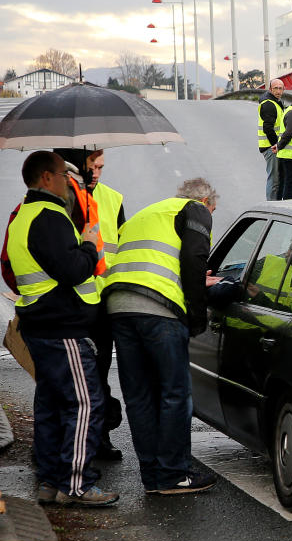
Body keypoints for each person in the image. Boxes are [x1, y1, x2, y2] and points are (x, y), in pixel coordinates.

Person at [6, 151, 119, 507]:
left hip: (40, 323)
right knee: (85, 403)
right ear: (46, 178)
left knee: (52, 404)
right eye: (62, 176)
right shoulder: (50, 216)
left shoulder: (24, 215)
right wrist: (88, 242)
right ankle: (77, 484)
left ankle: (52, 480)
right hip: (63, 326)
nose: (69, 184)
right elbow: (72, 270)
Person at [101, 177, 220, 496]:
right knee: (175, 393)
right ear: (207, 203)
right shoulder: (196, 209)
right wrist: (196, 317)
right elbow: (195, 258)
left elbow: (154, 258)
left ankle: (152, 475)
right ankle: (172, 475)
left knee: (139, 395)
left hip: (118, 304)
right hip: (158, 308)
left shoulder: (151, 213)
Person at [53, 148, 126, 460]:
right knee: (67, 380)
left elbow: (120, 249)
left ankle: (99, 437)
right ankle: (67, 445)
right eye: (92, 166)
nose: (96, 172)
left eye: (101, 167)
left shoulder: (113, 199)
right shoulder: (59, 200)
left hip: (101, 303)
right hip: (68, 305)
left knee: (97, 373)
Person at [258, 78, 285, 200]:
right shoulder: (269, 104)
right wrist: (276, 145)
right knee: (274, 180)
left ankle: (274, 204)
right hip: (271, 147)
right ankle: (271, 205)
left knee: (276, 179)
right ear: (270, 89)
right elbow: (268, 128)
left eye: (280, 88)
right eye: (276, 88)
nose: (278, 91)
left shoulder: (275, 102)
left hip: (272, 146)